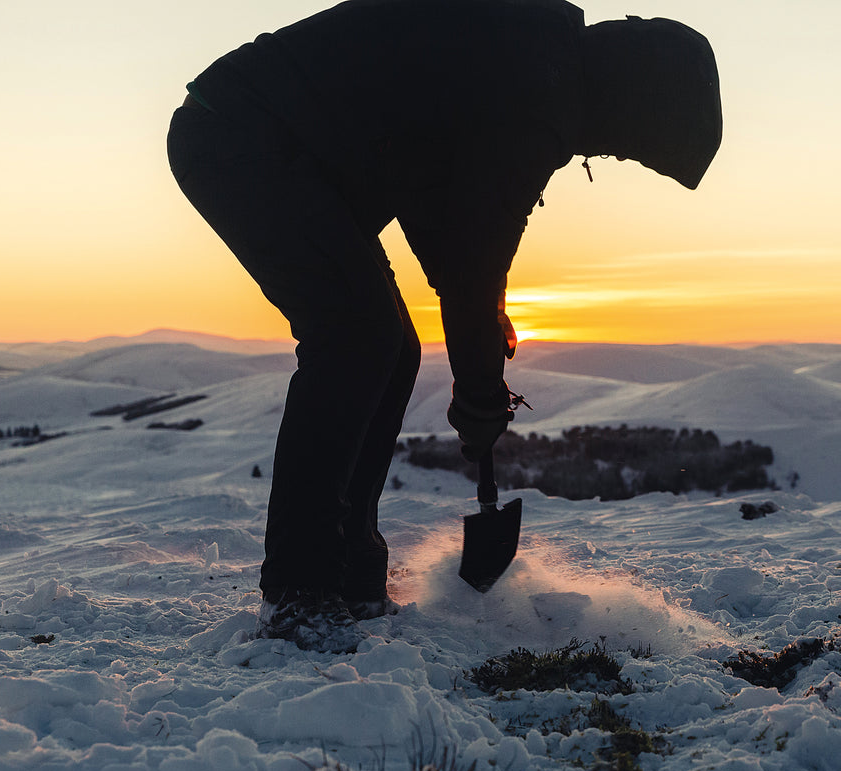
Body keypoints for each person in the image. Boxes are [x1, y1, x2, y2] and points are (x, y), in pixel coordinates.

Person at [167, 0, 721, 649]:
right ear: (632, 100)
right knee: (352, 335)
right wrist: (481, 388)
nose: (611, 153)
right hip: (241, 138)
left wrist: (480, 347)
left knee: (389, 345)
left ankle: (349, 576)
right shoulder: (534, 96)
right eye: (630, 145)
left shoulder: (530, 55)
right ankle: (302, 593)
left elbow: (443, 217)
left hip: (260, 139)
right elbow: (472, 259)